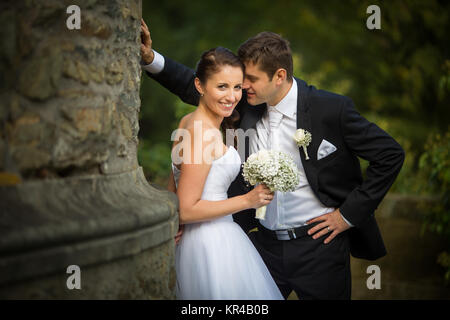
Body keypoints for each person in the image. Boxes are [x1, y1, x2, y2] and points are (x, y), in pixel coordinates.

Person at [140, 19, 405, 299]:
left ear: (279, 76)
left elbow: (390, 154)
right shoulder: (242, 101)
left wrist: (346, 216)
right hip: (260, 245)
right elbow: (200, 85)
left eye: (250, 80)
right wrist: (149, 59)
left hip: (319, 249)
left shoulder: (330, 109)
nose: (242, 86)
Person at [165, 46, 283, 300]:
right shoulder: (204, 134)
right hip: (212, 244)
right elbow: (186, 208)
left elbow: (174, 185)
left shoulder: (188, 121)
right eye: (222, 87)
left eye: (237, 87)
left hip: (200, 239)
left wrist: (174, 221)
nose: (232, 96)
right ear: (199, 85)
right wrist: (248, 200)